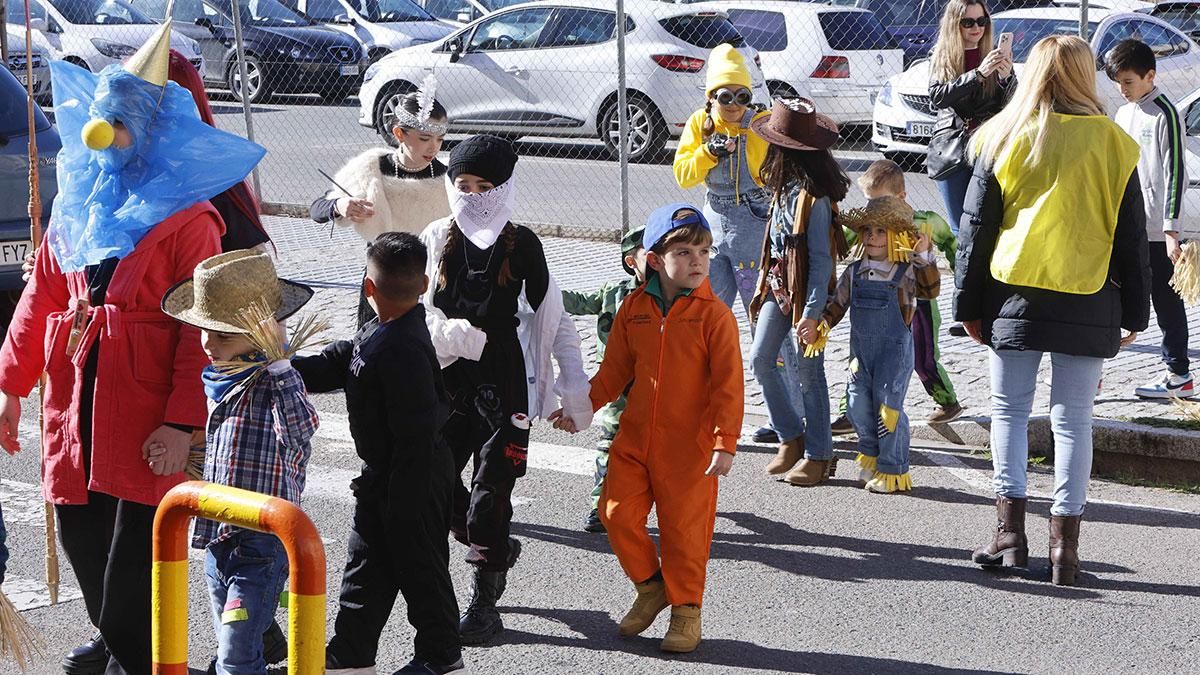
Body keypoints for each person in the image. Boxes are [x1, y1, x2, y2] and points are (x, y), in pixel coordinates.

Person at [0, 22, 264, 674]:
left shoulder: (188, 219)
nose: (105, 132)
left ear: (148, 127)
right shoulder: (77, 201)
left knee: (132, 574)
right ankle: (124, 650)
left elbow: (195, 331)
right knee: (87, 555)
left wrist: (181, 423)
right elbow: (39, 297)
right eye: (101, 117)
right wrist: (10, 386)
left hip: (144, 418)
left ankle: (138, 659)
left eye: (120, 121)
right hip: (75, 410)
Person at [956, 35, 1150, 586]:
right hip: (1089, 294)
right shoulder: (1114, 143)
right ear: (1087, 76)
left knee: (1008, 411)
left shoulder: (1003, 135)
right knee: (1074, 422)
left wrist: (968, 305)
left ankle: (1009, 534)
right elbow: (1130, 237)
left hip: (1013, 292)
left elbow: (976, 229)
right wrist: (1135, 312)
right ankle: (1065, 550)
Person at [418, 134, 593, 645]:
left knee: (489, 497)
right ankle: (494, 548)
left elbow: (554, 320)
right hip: (449, 377)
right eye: (463, 184)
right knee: (440, 485)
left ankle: (483, 601)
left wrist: (572, 388)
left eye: (484, 186)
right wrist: (445, 334)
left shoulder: (522, 244)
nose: (472, 195)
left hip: (504, 380)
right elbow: (411, 306)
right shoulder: (434, 237)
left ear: (505, 187)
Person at [554, 203, 743, 654]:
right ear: (655, 259)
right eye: (684, 251)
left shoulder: (715, 316)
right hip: (635, 438)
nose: (698, 260)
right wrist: (580, 409)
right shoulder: (634, 308)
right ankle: (651, 586)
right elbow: (613, 373)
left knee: (684, 534)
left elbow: (729, 386)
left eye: (704, 250)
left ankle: (686, 612)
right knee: (614, 514)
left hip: (690, 449)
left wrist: (725, 442)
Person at [294, 233, 464, 675]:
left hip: (413, 478)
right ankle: (350, 654)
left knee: (420, 568)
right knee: (367, 565)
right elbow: (341, 359)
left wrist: (403, 506)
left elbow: (417, 436)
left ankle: (441, 658)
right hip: (385, 476)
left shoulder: (402, 347)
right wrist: (288, 368)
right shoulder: (383, 327)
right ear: (423, 283)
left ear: (368, 287)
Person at [160, 250, 318, 675]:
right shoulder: (220, 379)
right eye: (205, 332)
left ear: (260, 335)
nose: (209, 344)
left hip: (261, 546)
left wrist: (282, 363)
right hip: (219, 538)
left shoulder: (275, 380)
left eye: (223, 337)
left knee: (234, 655)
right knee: (233, 648)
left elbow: (301, 429)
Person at [673, 42, 791, 445]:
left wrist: (756, 130)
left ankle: (786, 418)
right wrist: (708, 150)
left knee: (766, 323)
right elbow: (683, 175)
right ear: (711, 97)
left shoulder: (758, 122)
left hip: (753, 224)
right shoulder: (700, 125)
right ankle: (701, 408)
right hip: (713, 230)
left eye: (743, 96)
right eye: (726, 97)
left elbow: (773, 170)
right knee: (704, 317)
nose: (735, 105)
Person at [743, 98, 848, 486]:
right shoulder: (784, 187)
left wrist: (812, 312)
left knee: (809, 373)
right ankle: (791, 435)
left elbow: (822, 260)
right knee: (761, 358)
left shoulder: (814, 198)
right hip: (776, 285)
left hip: (806, 295)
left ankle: (820, 455)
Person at [832, 160, 962, 432]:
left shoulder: (924, 222)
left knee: (923, 356)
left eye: (881, 201)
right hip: (877, 303)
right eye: (869, 203)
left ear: (902, 196)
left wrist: (961, 279)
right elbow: (841, 241)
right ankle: (849, 412)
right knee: (861, 357)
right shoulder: (868, 226)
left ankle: (947, 401)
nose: (874, 210)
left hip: (919, 300)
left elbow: (952, 244)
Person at [822, 197, 940, 493]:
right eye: (868, 231)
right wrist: (821, 323)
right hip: (860, 354)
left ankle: (892, 470)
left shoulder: (907, 273)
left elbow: (931, 289)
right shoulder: (854, 272)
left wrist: (924, 255)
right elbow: (837, 305)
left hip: (894, 353)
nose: (872, 237)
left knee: (888, 407)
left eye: (880, 231)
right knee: (856, 404)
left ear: (897, 236)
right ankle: (871, 455)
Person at [312, 77, 450, 327]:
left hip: (428, 283)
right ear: (399, 133)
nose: (433, 147)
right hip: (380, 282)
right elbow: (318, 208)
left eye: (439, 140)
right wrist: (340, 205)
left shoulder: (447, 179)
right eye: (424, 138)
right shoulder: (371, 168)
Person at [1106, 39, 1194, 400]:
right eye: (1117, 82)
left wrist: (1171, 229)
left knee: (1165, 299)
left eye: (1128, 81)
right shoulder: (1122, 113)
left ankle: (1179, 374)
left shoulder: (1165, 114)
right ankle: (1092, 368)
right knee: (1112, 293)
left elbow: (1176, 173)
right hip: (1124, 224)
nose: (1121, 89)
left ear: (1150, 76)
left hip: (1157, 230)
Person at [561, 226, 647, 533]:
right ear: (631, 261)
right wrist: (541, 291)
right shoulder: (613, 292)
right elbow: (578, 302)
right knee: (610, 443)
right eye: (649, 252)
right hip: (617, 383)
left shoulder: (675, 298)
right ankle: (601, 506)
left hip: (657, 385)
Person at [928, 0, 1016, 237]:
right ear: (954, 24)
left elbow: (1012, 104)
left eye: (982, 21)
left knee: (990, 224)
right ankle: (962, 274)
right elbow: (938, 97)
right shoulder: (942, 56)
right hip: (953, 149)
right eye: (968, 22)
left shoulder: (992, 55)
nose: (977, 28)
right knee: (961, 228)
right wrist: (978, 74)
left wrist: (1007, 77)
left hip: (988, 148)